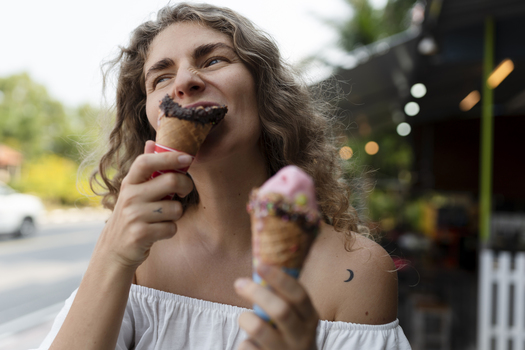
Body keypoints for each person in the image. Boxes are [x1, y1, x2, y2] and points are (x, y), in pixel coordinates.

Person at [37, 3, 411, 350]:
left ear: (265, 92)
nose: (184, 81)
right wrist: (112, 254)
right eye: (160, 78)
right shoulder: (136, 259)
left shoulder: (356, 271)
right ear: (150, 119)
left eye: (213, 60)